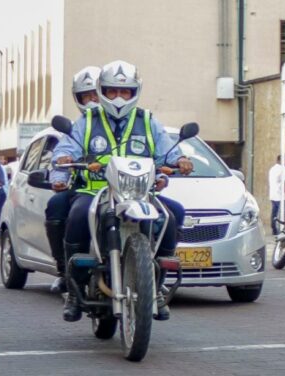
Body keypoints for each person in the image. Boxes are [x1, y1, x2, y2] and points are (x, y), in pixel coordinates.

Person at [50, 60, 193, 322]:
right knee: (77, 215)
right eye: (113, 91)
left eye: (124, 92)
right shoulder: (87, 121)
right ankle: (73, 287)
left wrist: (179, 161)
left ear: (134, 92)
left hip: (139, 194)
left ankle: (158, 283)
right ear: (102, 91)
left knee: (172, 214)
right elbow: (64, 150)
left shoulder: (148, 121)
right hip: (96, 193)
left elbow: (168, 152)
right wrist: (61, 167)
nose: (118, 97)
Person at [46, 66, 101, 293]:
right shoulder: (81, 125)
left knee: (173, 211)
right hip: (86, 189)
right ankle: (66, 270)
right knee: (57, 205)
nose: (91, 101)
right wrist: (59, 177)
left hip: (129, 190)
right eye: (85, 96)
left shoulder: (137, 120)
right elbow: (62, 154)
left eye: (95, 95)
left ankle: (154, 278)